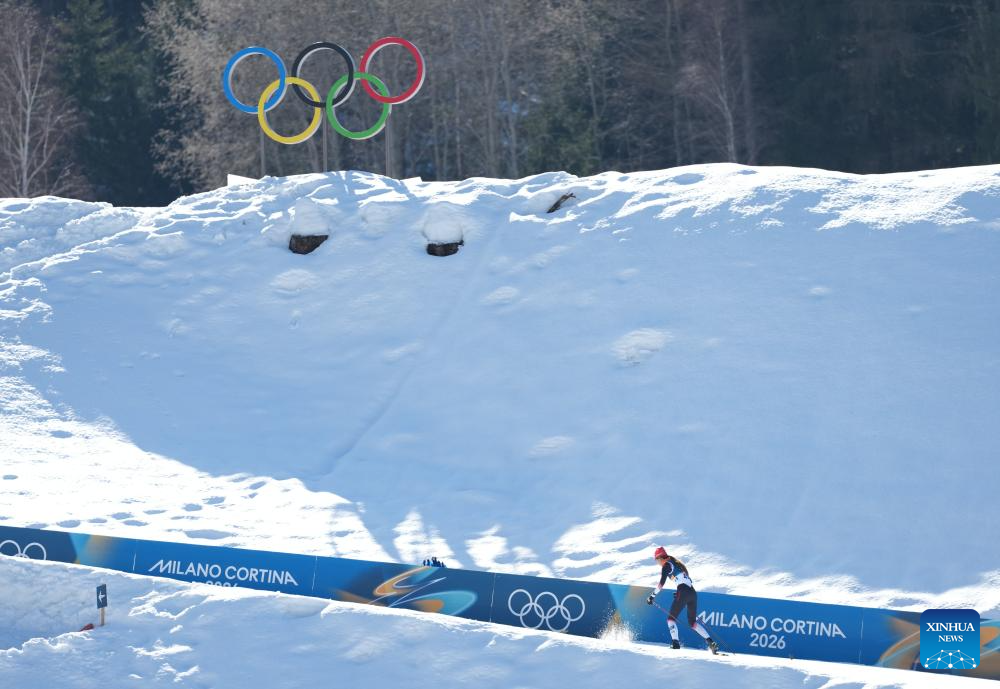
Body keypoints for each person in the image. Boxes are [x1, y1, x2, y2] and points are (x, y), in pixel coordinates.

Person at [646, 546, 719, 653]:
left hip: (683, 592)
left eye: (657, 560)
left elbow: (661, 583)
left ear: (660, 558)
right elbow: (684, 582)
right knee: (692, 622)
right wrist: (680, 593)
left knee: (670, 619)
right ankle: (711, 642)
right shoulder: (677, 564)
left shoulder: (666, 565)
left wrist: (652, 596)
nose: (657, 563)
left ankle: (675, 643)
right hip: (692, 593)